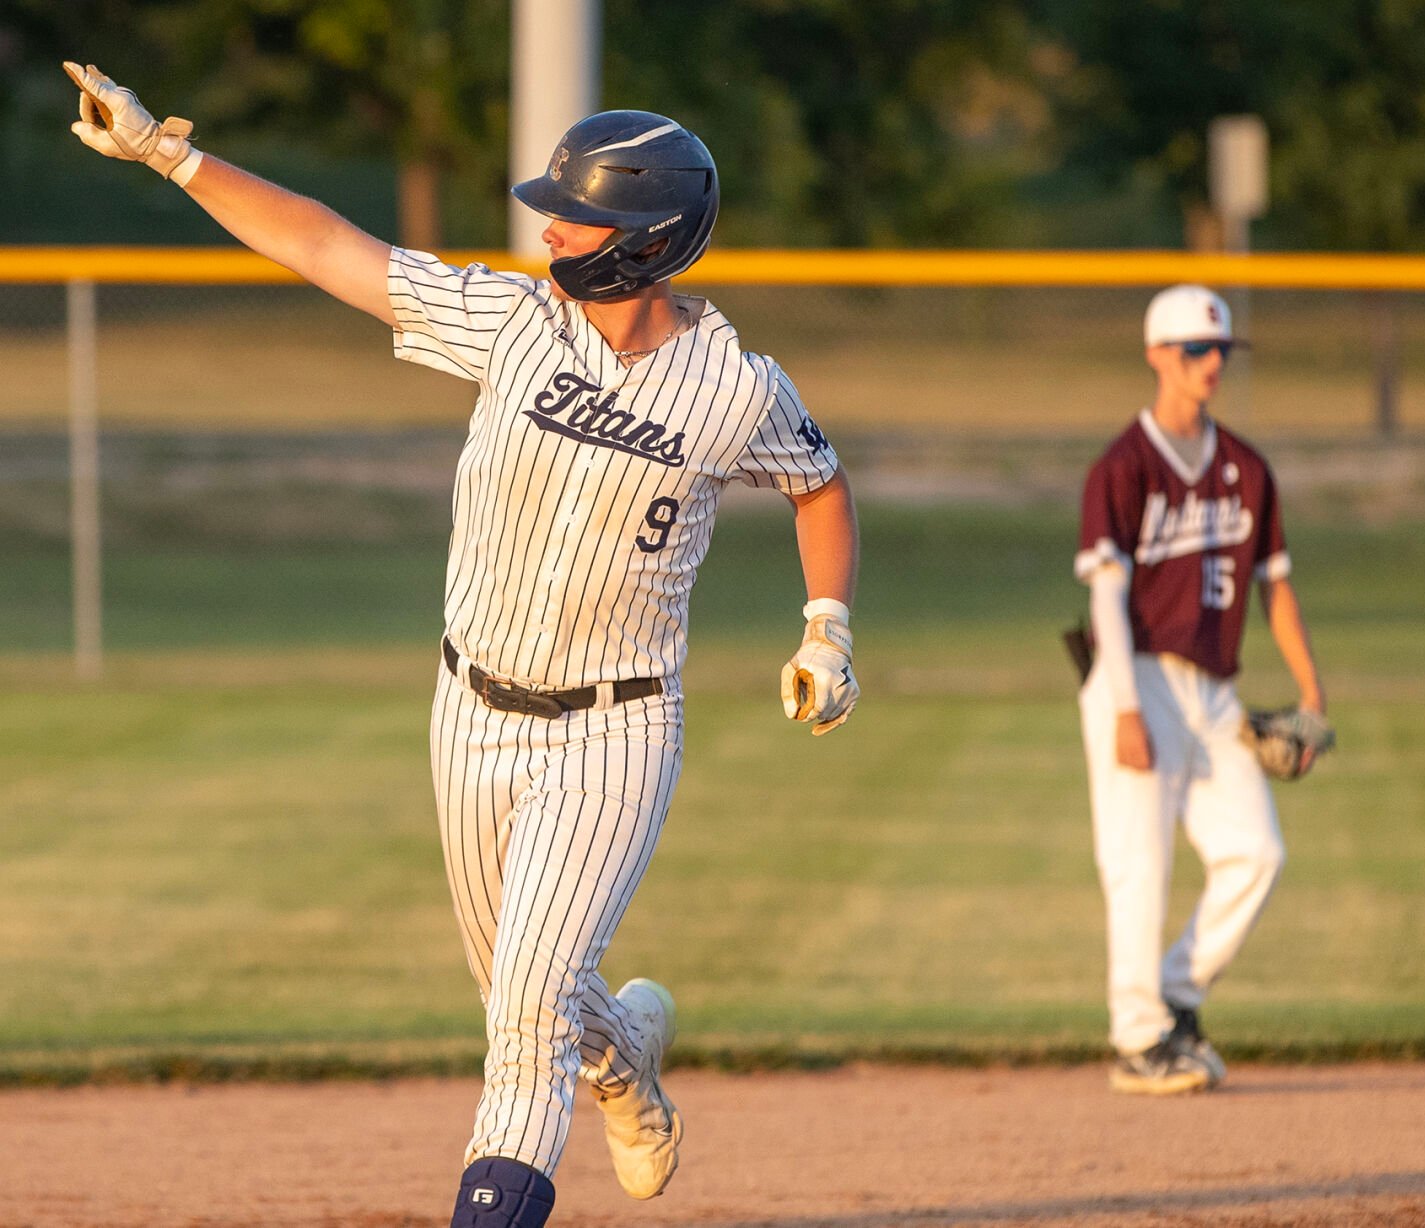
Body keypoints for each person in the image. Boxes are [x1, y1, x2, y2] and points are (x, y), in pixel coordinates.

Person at [64, 64, 861, 1226]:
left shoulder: (734, 390)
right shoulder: (510, 322)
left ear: (642, 239)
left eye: (572, 209)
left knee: (525, 1027)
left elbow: (819, 485)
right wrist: (166, 154)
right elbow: (328, 248)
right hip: (471, 714)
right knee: (520, 995)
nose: (547, 222)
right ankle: (626, 1053)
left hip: (617, 727)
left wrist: (826, 629)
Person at [1074, 285, 1325, 1095]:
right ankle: (1137, 1040)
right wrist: (1120, 705)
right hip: (1135, 673)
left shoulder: (1246, 468)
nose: (1210, 363)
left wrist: (1311, 696)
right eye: (1193, 351)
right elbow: (1106, 597)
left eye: (1219, 351)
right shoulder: (1123, 465)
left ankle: (1176, 998)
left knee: (1255, 852)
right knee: (1136, 861)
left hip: (1215, 690)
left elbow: (1275, 589)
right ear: (1156, 355)